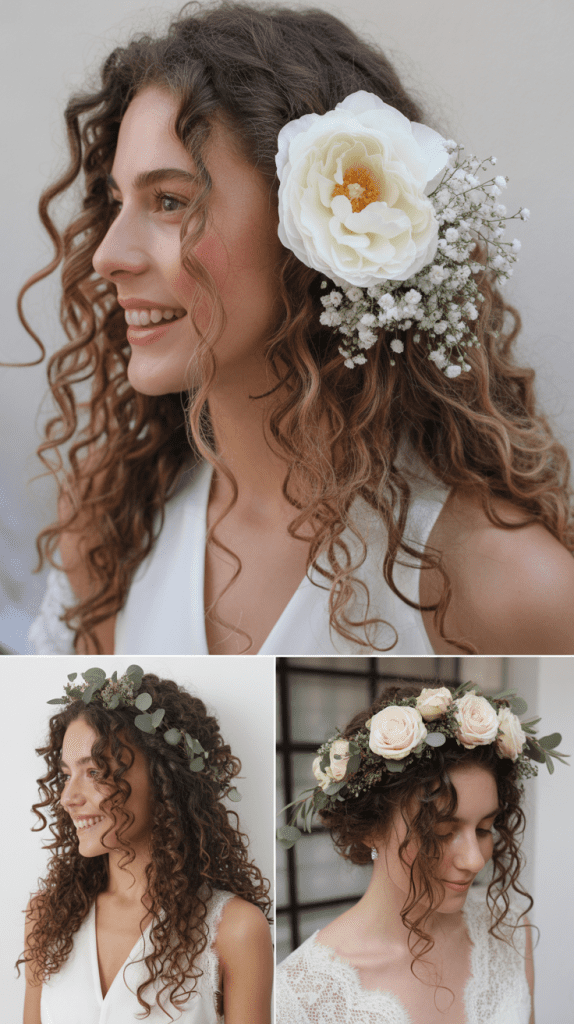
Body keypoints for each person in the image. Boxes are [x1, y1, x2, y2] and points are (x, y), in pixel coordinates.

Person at [20, 3, 574, 657]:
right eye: (117, 203)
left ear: (313, 236)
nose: (110, 255)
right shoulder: (111, 530)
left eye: (171, 202)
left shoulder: (504, 586)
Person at [275, 680, 567, 1023]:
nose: (474, 860)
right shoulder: (297, 997)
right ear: (371, 828)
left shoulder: (509, 932)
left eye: (485, 828)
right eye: (441, 833)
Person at [17, 668, 273, 1023]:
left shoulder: (234, 930)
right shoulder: (47, 917)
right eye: (66, 773)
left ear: (164, 778)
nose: (67, 797)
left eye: (94, 772)